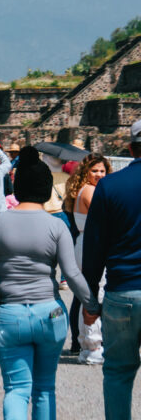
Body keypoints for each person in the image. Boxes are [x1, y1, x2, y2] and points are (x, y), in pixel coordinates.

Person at [0, 146, 97, 420]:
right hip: (49, 312)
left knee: (16, 388)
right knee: (45, 388)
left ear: (18, 187)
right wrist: (91, 304)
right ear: (47, 189)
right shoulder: (57, 226)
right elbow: (71, 274)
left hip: (9, 312)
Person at [83, 118, 141, 418]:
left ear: (131, 149)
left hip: (122, 291)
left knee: (118, 372)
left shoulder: (109, 186)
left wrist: (90, 297)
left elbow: (94, 248)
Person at [64, 153, 108, 363]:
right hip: (90, 245)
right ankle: (91, 343)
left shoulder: (83, 190)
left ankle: (83, 342)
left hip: (85, 243)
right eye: (95, 170)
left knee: (85, 295)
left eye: (102, 170)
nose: (99, 174)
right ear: (86, 172)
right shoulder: (90, 191)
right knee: (92, 294)